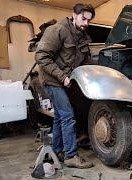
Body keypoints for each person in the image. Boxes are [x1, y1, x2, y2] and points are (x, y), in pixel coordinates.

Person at [35, 3, 95, 169]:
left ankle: (57, 151)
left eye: (89, 21)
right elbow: (41, 56)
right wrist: (62, 77)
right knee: (68, 115)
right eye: (83, 19)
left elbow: (86, 61)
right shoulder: (58, 30)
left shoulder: (82, 36)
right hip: (52, 79)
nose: (86, 23)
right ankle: (71, 156)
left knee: (61, 116)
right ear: (74, 15)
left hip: (64, 81)